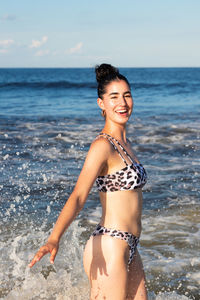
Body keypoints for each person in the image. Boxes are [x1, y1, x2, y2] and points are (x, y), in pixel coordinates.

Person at [29, 63, 148, 300]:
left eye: (127, 95)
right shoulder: (102, 146)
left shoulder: (126, 143)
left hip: (130, 244)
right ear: (101, 104)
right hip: (110, 244)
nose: (122, 103)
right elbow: (78, 196)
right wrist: (54, 239)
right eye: (114, 97)